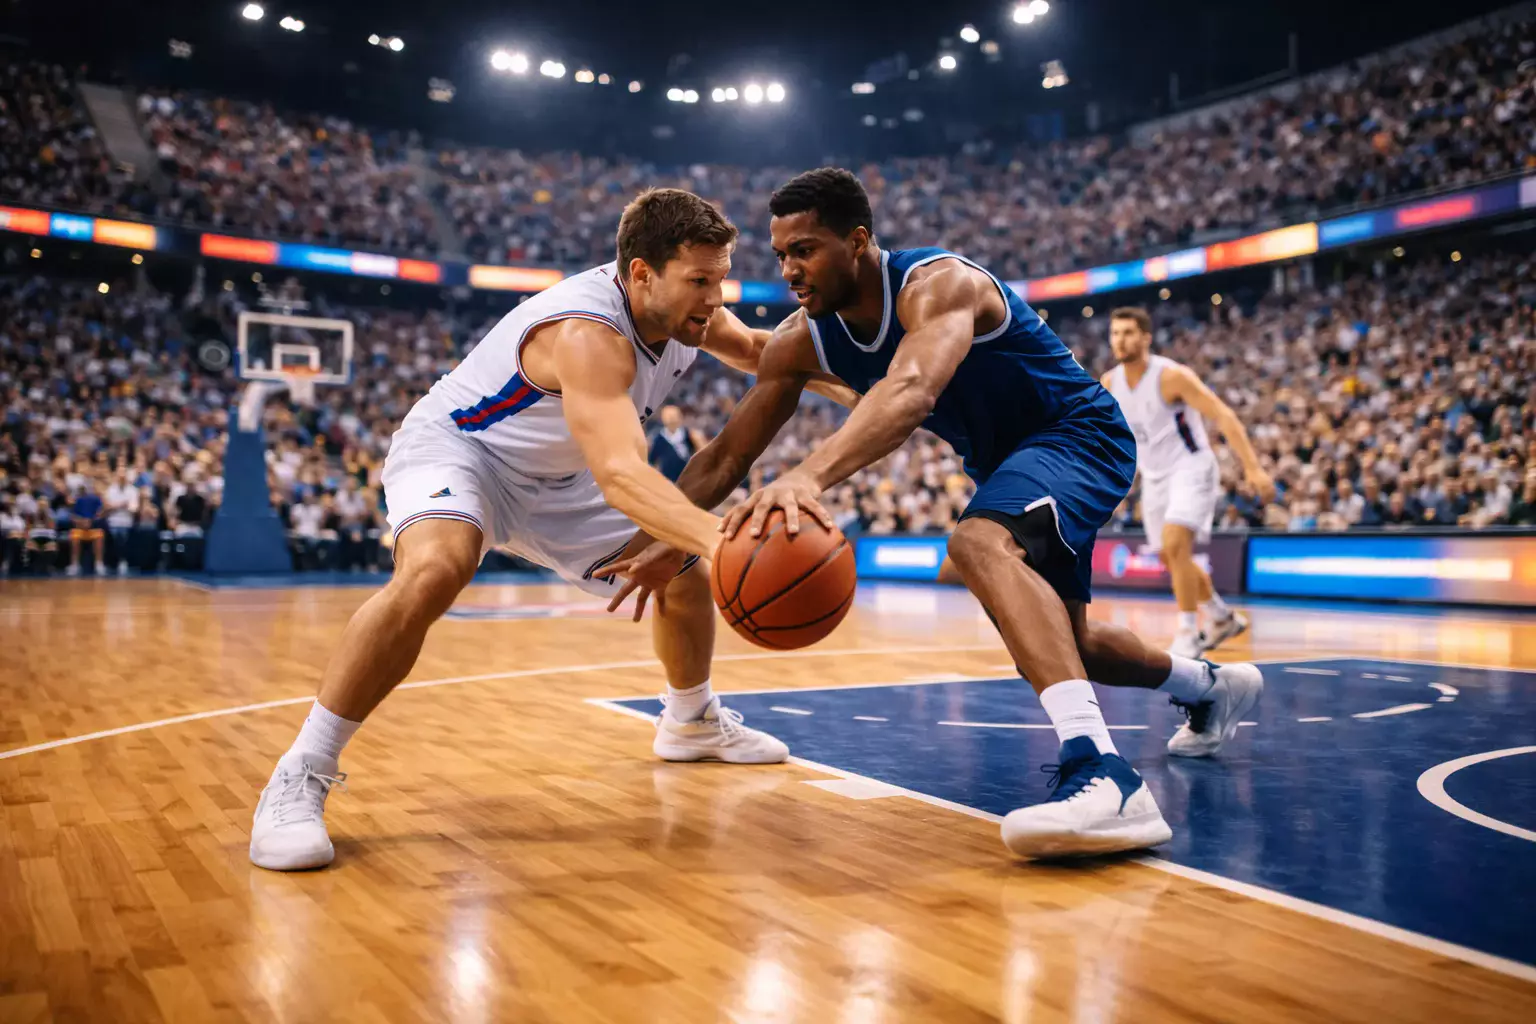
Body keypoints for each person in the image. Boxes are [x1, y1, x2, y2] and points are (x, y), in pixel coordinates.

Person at [605, 168, 1263, 860]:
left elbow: (913, 389)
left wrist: (808, 475)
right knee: (1067, 645)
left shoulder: (941, 286)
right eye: (781, 255)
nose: (790, 270)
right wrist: (664, 536)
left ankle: (1106, 776)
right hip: (1007, 465)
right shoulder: (804, 339)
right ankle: (1211, 688)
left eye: (806, 250)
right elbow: (725, 455)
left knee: (977, 545)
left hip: (1077, 435)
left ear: (858, 242)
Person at [249, 188, 849, 872]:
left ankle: (689, 720)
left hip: (560, 481)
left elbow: (762, 354)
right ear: (641, 274)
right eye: (700, 281)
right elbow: (623, 474)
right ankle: (302, 771)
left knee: (685, 577)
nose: (715, 299)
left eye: (721, 280)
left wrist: (864, 392)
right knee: (436, 569)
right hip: (465, 451)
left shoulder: (690, 315)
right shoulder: (588, 334)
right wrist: (719, 538)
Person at [1103, 308, 1275, 657]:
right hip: (1154, 476)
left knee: (1176, 543)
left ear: (1146, 338)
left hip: (1191, 466)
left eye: (1129, 333)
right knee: (1170, 556)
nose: (1121, 340)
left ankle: (1187, 632)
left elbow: (1223, 415)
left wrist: (1253, 468)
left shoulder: (1171, 376)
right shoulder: (1110, 382)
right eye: (1116, 333)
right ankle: (1220, 615)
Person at [648, 404, 708, 483]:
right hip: (668, 479)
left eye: (674, 416)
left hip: (686, 477)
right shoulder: (659, 439)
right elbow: (652, 460)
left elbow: (700, 451)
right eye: (669, 417)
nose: (672, 420)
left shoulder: (688, 434)